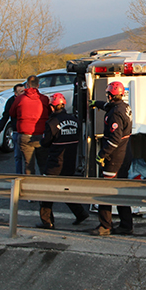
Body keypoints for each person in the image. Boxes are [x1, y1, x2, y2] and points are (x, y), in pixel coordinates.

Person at [37, 93, 91, 228]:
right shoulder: (75, 120)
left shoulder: (51, 123)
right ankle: (80, 213)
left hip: (55, 162)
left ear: (52, 106)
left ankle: (47, 221)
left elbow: (45, 142)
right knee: (66, 190)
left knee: (45, 191)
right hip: (69, 162)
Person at [91, 81, 134, 236]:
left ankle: (105, 226)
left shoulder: (115, 114)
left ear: (110, 95)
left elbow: (114, 139)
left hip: (115, 158)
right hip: (125, 155)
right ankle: (126, 225)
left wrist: (102, 154)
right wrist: (97, 104)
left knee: (106, 191)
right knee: (120, 191)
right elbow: (110, 106)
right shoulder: (124, 107)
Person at [10, 75, 50, 175]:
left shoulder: (20, 99)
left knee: (28, 165)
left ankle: (29, 186)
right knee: (43, 163)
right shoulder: (44, 99)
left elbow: (12, 113)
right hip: (41, 135)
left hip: (25, 135)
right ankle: (45, 184)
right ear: (38, 85)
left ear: (27, 85)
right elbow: (49, 113)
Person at [0, 84, 25, 174]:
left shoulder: (27, 100)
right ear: (15, 94)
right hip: (16, 131)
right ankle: (19, 174)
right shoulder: (11, 102)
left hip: (27, 132)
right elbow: (5, 117)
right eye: (21, 91)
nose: (23, 93)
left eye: (24, 91)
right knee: (17, 156)